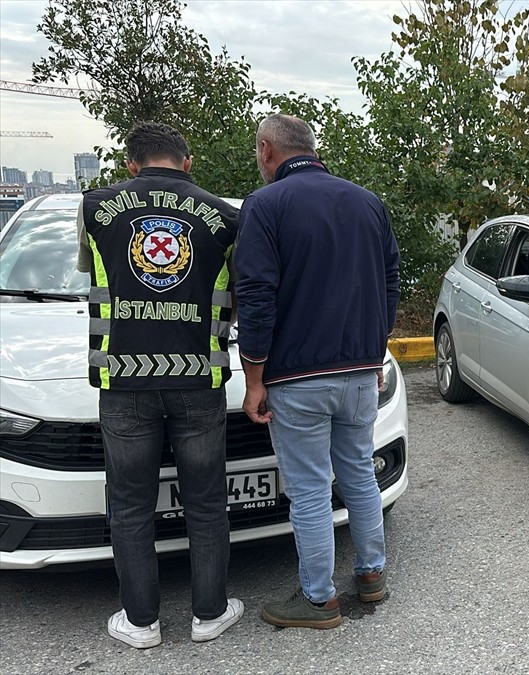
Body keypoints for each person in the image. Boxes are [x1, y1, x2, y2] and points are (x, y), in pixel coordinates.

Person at [77, 122, 243, 648]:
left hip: (123, 378)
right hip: (198, 378)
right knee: (206, 503)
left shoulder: (95, 208)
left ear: (131, 163)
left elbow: (95, 274)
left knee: (129, 506)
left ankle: (141, 623)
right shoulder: (225, 217)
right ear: (187, 162)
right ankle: (209, 615)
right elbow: (239, 295)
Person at [235, 114, 401, 629]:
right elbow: (389, 283)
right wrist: (374, 353)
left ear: (267, 150)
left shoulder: (265, 205)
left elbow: (256, 295)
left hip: (298, 378)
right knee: (359, 474)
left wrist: (254, 378)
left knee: (309, 489)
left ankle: (317, 600)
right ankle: (371, 576)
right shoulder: (368, 202)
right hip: (359, 372)